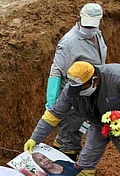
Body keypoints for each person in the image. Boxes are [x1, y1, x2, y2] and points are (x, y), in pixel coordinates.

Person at [39, 3, 108, 160]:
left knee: (77, 130)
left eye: (93, 25)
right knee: (69, 135)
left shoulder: (97, 34)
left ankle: (65, 160)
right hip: (74, 94)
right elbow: (56, 70)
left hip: (90, 90)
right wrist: (52, 102)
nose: (89, 29)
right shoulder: (69, 42)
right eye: (87, 25)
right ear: (79, 19)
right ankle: (61, 168)